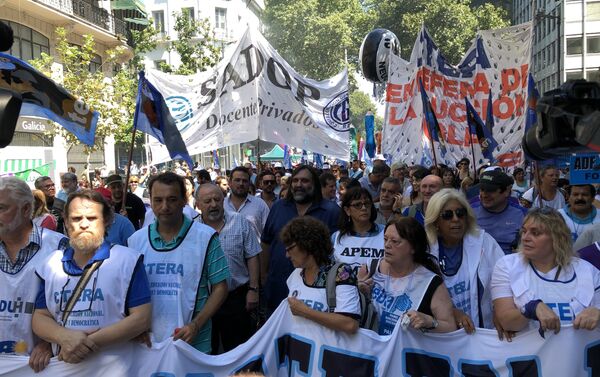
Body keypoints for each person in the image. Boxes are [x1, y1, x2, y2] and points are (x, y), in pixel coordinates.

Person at [32, 190, 151, 365]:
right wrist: (64, 337)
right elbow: (40, 317)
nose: (84, 224)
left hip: (115, 366)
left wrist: (84, 344)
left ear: (106, 221)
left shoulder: (128, 260)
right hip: (65, 368)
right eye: (76, 218)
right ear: (65, 222)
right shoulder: (51, 264)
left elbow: (141, 318)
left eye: (92, 218)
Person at [128, 172, 229, 353]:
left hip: (194, 342)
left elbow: (220, 288)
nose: (165, 207)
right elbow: (127, 292)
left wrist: (196, 325)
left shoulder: (206, 237)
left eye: (172, 199)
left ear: (184, 200)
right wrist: (134, 325)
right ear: (150, 201)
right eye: (158, 200)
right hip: (149, 344)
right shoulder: (135, 241)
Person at [492, 208, 600, 336]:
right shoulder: (507, 265)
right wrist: (531, 309)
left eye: (535, 233)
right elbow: (506, 321)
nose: (525, 238)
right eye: (524, 231)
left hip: (575, 354)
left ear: (557, 238)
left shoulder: (587, 270)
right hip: (527, 354)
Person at [0, 178, 68, 372]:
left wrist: (50, 342)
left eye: (1, 208)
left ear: (26, 209)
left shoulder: (59, 247)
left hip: (43, 366)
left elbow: (75, 306)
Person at [261, 165, 341, 315]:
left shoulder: (331, 211)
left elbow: (337, 251)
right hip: (278, 285)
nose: (298, 185)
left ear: (314, 185)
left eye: (304, 181)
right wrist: (263, 276)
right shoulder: (278, 207)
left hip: (316, 292)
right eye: (295, 180)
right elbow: (266, 242)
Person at [357, 217, 456, 335]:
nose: (387, 245)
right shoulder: (370, 268)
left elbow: (450, 327)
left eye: (395, 241)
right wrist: (358, 292)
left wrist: (429, 321)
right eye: (385, 239)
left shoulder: (431, 282)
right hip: (371, 348)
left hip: (406, 350)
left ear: (413, 247)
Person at [424, 189, 504, 332]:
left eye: (460, 213)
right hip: (443, 337)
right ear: (436, 222)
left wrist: (500, 309)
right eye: (447, 215)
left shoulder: (483, 242)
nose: (456, 219)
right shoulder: (425, 251)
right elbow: (420, 295)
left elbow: (505, 278)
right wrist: (452, 312)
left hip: (484, 331)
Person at [195, 184, 261, 353]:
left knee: (237, 351)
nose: (213, 204)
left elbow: (252, 255)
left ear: (223, 199)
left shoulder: (240, 222)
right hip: (203, 301)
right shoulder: (192, 229)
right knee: (207, 351)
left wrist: (253, 289)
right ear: (198, 204)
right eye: (207, 201)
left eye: (217, 199)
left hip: (236, 300)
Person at [282, 217, 360, 334]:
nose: (287, 255)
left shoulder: (342, 273)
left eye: (290, 248)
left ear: (307, 244)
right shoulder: (296, 275)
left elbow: (350, 324)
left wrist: (306, 311)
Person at [472, 170, 527, 254]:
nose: (484, 195)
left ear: (506, 191)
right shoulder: (468, 212)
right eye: (482, 189)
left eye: (490, 190)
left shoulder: (523, 215)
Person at [332, 187, 384, 272]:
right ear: (347, 210)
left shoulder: (385, 233)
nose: (364, 208)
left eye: (367, 203)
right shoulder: (336, 238)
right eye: (357, 205)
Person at [225, 167, 270, 240]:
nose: (241, 183)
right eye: (237, 180)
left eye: (245, 181)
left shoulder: (260, 205)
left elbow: (268, 232)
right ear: (230, 182)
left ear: (249, 183)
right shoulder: (222, 205)